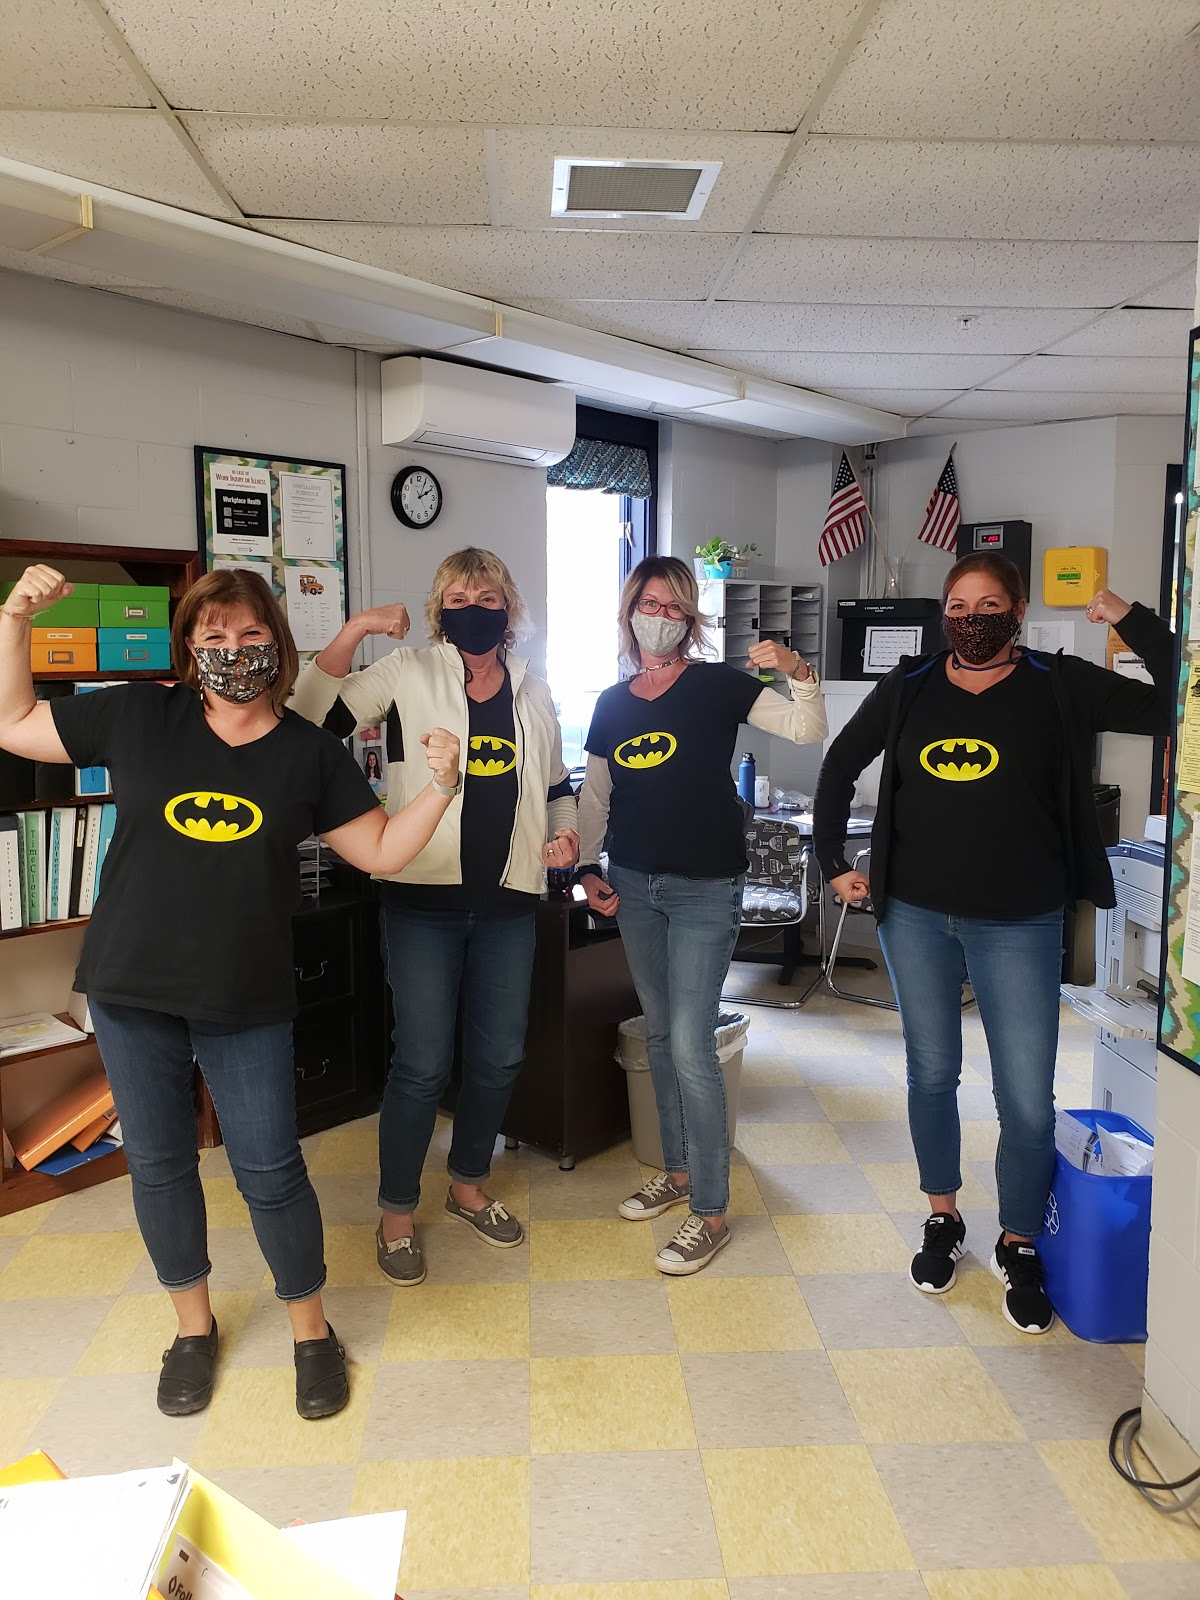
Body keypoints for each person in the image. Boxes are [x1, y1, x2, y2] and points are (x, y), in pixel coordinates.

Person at [0, 565, 461, 1419]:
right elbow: (14, 720)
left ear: (277, 647)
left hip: (245, 995)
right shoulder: (139, 714)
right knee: (162, 1165)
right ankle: (192, 1330)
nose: (231, 652)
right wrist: (16, 618)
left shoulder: (309, 754)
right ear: (188, 649)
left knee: (271, 1170)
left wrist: (440, 788)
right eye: (212, 638)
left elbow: (385, 851)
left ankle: (311, 1334)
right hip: (133, 985)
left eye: (250, 636)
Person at [813, 552, 1172, 1333]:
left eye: (989, 603)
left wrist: (1131, 619)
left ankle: (1019, 1238)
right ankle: (942, 1216)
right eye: (959, 604)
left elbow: (1176, 701)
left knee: (1025, 1100)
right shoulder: (908, 686)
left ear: (1015, 610)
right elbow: (840, 764)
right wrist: (834, 861)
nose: (972, 616)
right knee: (931, 1073)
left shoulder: (1058, 681)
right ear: (944, 614)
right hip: (915, 915)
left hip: (1022, 919)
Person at [290, 547, 578, 1284]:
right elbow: (309, 719)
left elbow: (555, 785)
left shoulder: (534, 690)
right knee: (421, 1063)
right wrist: (354, 629)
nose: (474, 605)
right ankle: (395, 1212)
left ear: (508, 609)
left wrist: (568, 835)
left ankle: (468, 1185)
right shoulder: (409, 672)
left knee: (500, 1056)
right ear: (436, 607)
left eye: (487, 595)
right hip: (423, 901)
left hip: (511, 902)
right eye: (459, 593)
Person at [577, 555, 827, 1275]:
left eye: (673, 607)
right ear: (629, 612)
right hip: (633, 879)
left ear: (690, 619)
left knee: (690, 1043)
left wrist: (797, 669)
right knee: (659, 1034)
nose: (658, 616)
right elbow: (597, 796)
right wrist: (589, 867)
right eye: (647, 603)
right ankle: (679, 1172)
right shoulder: (613, 702)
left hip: (704, 887)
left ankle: (709, 1211)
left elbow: (806, 729)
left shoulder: (720, 686)